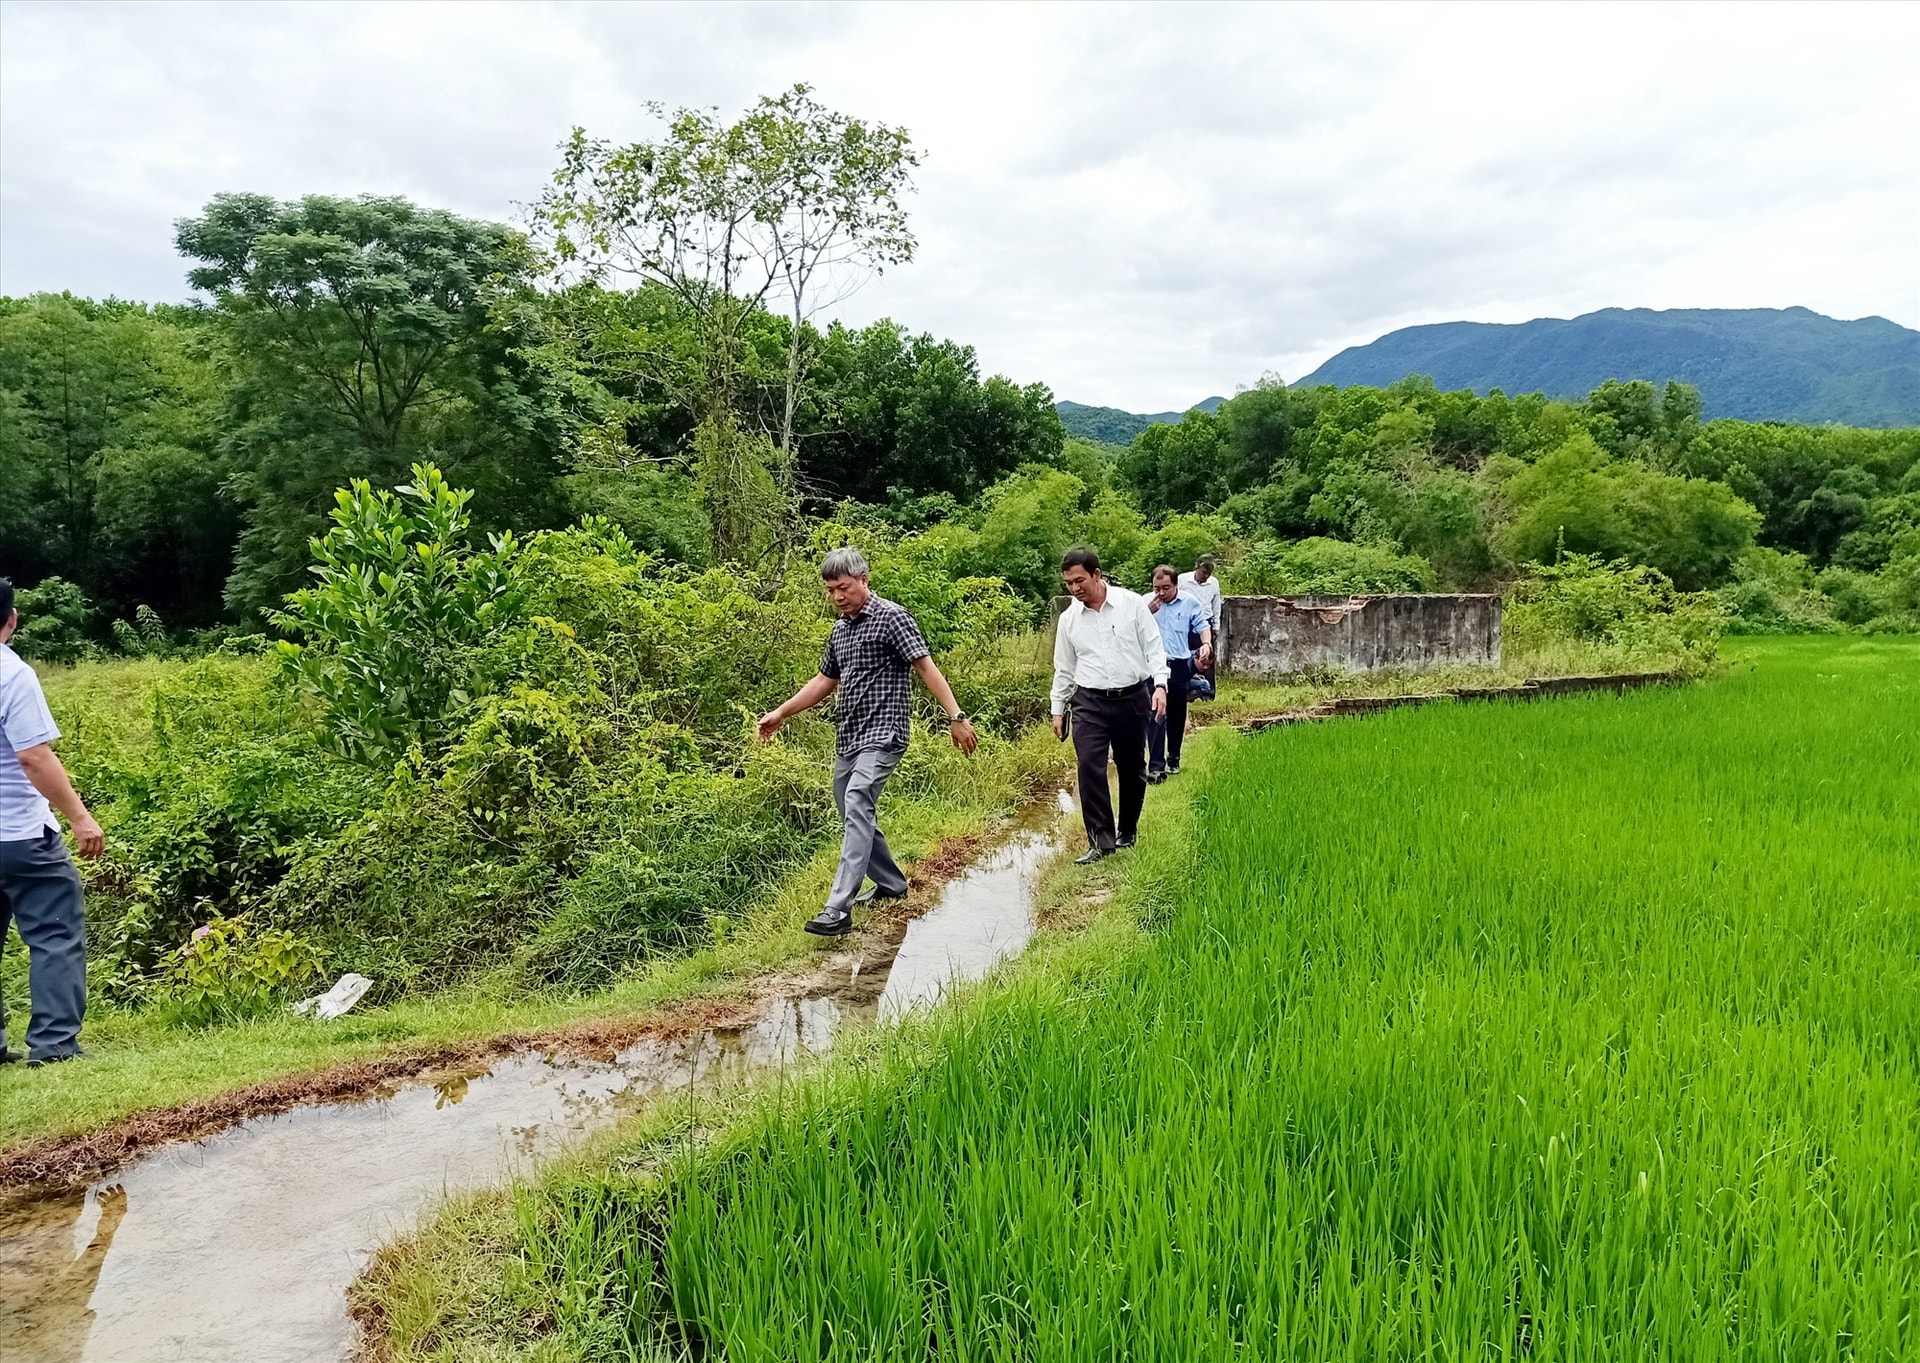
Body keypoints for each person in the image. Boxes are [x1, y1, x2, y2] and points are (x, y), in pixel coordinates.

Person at [757, 548, 978, 937]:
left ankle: (837, 908)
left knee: (858, 800)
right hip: (850, 736)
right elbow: (824, 681)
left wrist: (955, 717)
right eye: (830, 590)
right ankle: (892, 884)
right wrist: (781, 712)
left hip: (885, 733)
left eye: (843, 587)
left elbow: (925, 666)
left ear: (864, 580)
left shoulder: (893, 617)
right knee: (850, 808)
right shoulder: (841, 630)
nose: (838, 596)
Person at [0, 578, 105, 1068]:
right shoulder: (11, 674)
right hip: (19, 834)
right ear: (12, 619)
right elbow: (33, 757)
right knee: (54, 933)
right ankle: (54, 1043)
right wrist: (80, 818)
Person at [1051, 548, 1167, 865]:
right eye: (1068, 583)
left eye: (1079, 580)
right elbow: (1063, 667)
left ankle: (1127, 830)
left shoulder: (1131, 605)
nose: (1074, 588)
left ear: (1097, 575)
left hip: (1133, 696)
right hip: (1089, 701)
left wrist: (1160, 685)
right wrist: (1057, 708)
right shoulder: (1069, 620)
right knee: (1090, 765)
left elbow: (1155, 646)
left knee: (1132, 767)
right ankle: (1101, 841)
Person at [1145, 565, 1211, 782]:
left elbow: (1202, 625)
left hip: (1179, 665)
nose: (1161, 593)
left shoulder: (1189, 602)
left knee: (1175, 714)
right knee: (1155, 713)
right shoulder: (1145, 603)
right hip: (1153, 666)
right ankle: (1156, 765)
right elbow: (1131, 629)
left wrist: (1206, 644)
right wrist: (1147, 612)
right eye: (1157, 588)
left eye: (1166, 588)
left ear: (1175, 585)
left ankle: (1173, 758)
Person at [1177, 554, 1224, 683]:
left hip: (1205, 622)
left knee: (1206, 656)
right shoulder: (1183, 580)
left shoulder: (1213, 583)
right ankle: (1186, 685)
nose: (1206, 576)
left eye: (1209, 573)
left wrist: (1216, 626)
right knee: (1185, 654)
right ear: (1196, 568)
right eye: (1203, 572)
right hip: (1186, 622)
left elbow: (1216, 605)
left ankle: (1207, 690)